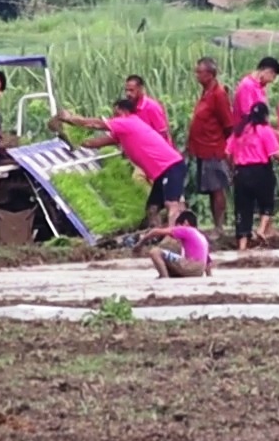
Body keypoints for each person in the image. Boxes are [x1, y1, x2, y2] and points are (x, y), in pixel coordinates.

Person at [58, 98, 189, 225]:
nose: (114, 117)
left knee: (171, 204)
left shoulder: (128, 122)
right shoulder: (123, 131)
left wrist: (70, 119)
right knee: (152, 209)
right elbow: (96, 143)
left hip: (171, 166)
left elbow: (95, 124)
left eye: (116, 113)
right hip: (161, 172)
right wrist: (74, 140)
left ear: (125, 112)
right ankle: (156, 235)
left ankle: (174, 237)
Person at [185, 57, 235, 231]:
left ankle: (219, 227)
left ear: (210, 74)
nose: (197, 75)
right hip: (203, 149)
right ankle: (216, 225)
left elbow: (228, 124)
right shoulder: (206, 93)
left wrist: (227, 148)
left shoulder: (218, 94)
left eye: (200, 72)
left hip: (214, 148)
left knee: (217, 188)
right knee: (211, 190)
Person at [227, 101, 279, 249]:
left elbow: (227, 153)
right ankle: (261, 229)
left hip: (241, 172)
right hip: (261, 171)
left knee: (242, 208)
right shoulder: (265, 130)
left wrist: (232, 169)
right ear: (265, 115)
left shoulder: (239, 131)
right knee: (266, 202)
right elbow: (275, 153)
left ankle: (242, 245)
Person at [137, 211, 211, 279]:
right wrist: (209, 276)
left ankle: (164, 277)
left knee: (155, 252)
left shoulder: (186, 229)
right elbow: (208, 261)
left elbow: (155, 231)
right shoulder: (201, 236)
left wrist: (139, 244)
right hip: (198, 271)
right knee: (171, 260)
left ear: (185, 222)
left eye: (178, 226)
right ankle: (167, 275)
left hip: (191, 266)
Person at [233, 56, 279, 125]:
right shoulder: (247, 86)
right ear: (268, 71)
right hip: (247, 132)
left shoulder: (260, 87)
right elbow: (248, 115)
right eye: (273, 76)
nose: (272, 81)